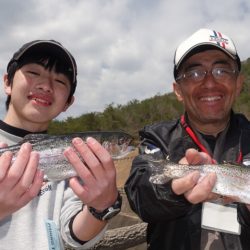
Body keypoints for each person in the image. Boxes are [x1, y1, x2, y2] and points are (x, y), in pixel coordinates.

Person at [125, 28, 250, 250]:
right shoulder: (157, 137)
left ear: (239, 83)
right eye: (194, 73)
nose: (210, 83)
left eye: (221, 70)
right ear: (178, 90)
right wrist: (172, 190)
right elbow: (140, 195)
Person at [0, 40, 122, 249]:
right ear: (7, 82)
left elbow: (73, 235)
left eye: (59, 81)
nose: (46, 85)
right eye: (33, 73)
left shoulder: (72, 158)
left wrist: (101, 207)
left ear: (68, 103)